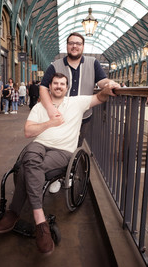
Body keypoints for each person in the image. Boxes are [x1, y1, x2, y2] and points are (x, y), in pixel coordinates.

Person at [0, 73, 119, 255]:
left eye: (62, 84)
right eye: (55, 83)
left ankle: (15, 212)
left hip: (63, 151)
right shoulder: (40, 107)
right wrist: (50, 123)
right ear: (50, 87)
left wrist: (108, 88)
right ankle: (40, 221)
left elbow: (100, 97)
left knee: (26, 167)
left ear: (67, 87)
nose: (59, 86)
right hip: (39, 145)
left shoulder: (77, 102)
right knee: (30, 155)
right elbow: (28, 132)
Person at [40, 32, 120, 193]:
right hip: (59, 117)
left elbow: (101, 81)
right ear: (67, 46)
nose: (74, 46)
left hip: (83, 117)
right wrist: (49, 108)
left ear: (83, 47)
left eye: (78, 43)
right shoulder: (55, 65)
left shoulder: (93, 62)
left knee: (74, 148)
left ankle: (65, 176)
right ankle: (55, 176)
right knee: (56, 147)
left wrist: (109, 83)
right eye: (71, 43)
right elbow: (43, 86)